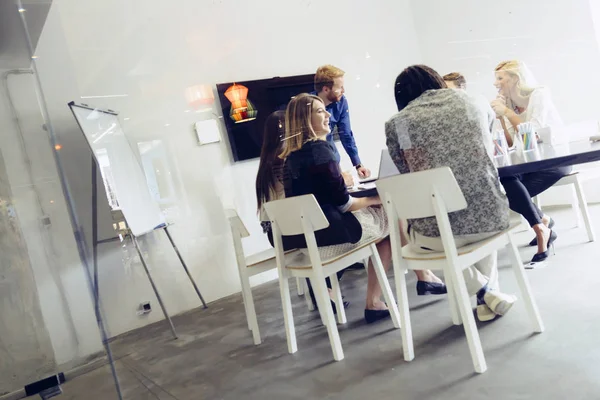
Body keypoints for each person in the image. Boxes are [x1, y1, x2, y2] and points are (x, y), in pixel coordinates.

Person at [281, 93, 445, 323]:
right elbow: (345, 204)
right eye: (320, 111)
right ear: (305, 119)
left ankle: (418, 280)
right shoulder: (321, 150)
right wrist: (376, 199)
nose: (328, 114)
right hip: (327, 240)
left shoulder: (290, 158)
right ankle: (388, 294)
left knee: (386, 217)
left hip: (305, 240)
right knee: (389, 218)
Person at [385, 65, 517, 322]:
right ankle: (488, 296)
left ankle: (484, 291)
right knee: (479, 201)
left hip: (436, 235)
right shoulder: (474, 101)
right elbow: (486, 144)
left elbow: (406, 171)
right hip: (492, 219)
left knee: (437, 232)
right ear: (436, 81)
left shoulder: (398, 123)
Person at [491, 60, 569, 263]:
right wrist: (500, 118)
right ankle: (542, 223)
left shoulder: (539, 94)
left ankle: (543, 226)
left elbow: (533, 131)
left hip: (553, 159)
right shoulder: (508, 104)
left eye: (500, 78)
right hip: (525, 162)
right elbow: (509, 142)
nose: (496, 83)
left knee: (509, 196)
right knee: (505, 181)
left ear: (515, 78)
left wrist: (507, 113)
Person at [312, 65, 371, 185]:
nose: (343, 91)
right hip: (313, 163)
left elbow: (346, 134)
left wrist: (358, 164)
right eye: (339, 87)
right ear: (326, 89)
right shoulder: (306, 105)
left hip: (332, 159)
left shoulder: (342, 101)